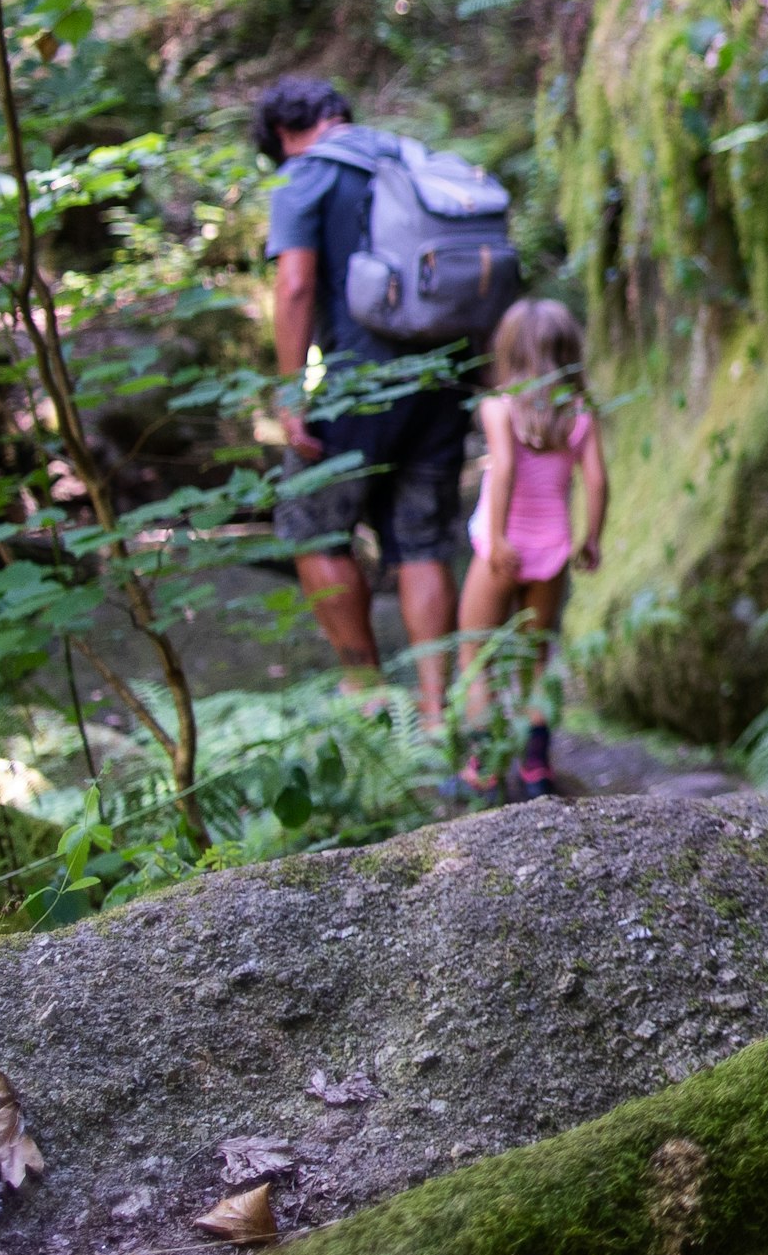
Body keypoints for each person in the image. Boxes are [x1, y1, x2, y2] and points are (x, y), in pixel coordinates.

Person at [255, 75, 475, 729]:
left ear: (283, 135)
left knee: (311, 525)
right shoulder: (413, 157)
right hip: (441, 380)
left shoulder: (306, 176)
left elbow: (294, 285)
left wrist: (292, 394)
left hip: (359, 384)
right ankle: (439, 715)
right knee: (423, 543)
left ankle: (368, 691)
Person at [454, 296, 604, 805]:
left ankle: (485, 768)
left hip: (503, 548)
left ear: (508, 351)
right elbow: (598, 480)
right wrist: (591, 538)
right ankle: (536, 767)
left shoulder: (499, 407)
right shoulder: (579, 413)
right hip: (554, 552)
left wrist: (495, 539)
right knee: (534, 658)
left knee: (476, 654)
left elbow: (505, 470)